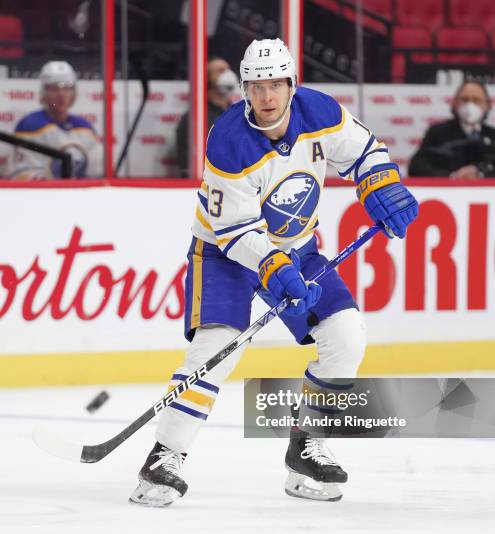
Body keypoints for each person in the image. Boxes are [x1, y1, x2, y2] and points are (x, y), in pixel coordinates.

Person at [130, 38, 418, 507]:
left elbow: (365, 151)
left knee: (346, 335)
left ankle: (306, 444)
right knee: (215, 349)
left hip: (298, 249)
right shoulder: (228, 140)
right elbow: (237, 231)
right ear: (244, 89)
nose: (267, 96)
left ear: (292, 84)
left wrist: (381, 184)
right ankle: (165, 456)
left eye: (276, 85)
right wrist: (271, 265)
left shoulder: (319, 112)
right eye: (257, 86)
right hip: (225, 253)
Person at [10, 61, 103, 180]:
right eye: (54, 88)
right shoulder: (30, 125)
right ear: (44, 92)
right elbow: (22, 172)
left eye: (67, 88)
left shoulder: (84, 127)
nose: (61, 94)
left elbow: (98, 171)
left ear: (74, 92)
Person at [409, 80, 495, 178]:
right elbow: (416, 167)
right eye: (464, 99)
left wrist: (481, 174)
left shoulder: (492, 136)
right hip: (447, 191)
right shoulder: (437, 133)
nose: (470, 106)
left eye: (476, 100)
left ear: (487, 104)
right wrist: (452, 176)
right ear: (455, 103)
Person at [175, 57, 239, 177]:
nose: (228, 74)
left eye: (228, 70)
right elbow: (186, 159)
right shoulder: (195, 118)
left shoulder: (239, 114)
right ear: (208, 78)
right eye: (220, 71)